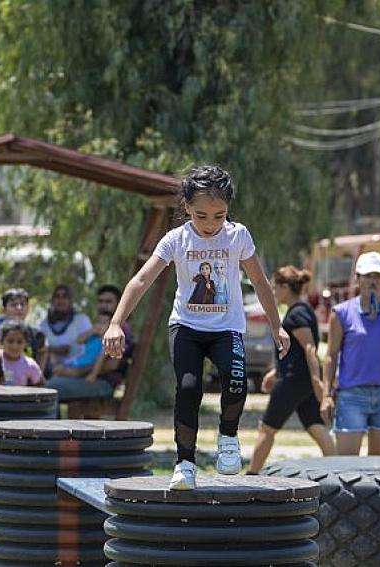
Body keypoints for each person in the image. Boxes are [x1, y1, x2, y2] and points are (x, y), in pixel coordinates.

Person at [103, 165, 290, 490]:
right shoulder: (176, 240)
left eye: (219, 216)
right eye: (201, 215)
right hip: (186, 326)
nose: (210, 224)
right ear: (186, 207)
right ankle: (185, 463)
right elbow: (142, 280)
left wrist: (278, 327)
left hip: (226, 327)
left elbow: (259, 282)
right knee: (188, 388)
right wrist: (116, 322)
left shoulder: (237, 236)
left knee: (236, 381)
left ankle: (228, 436)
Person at [320, 252, 380, 457]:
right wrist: (326, 395)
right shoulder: (342, 313)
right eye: (368, 276)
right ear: (357, 278)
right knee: (347, 466)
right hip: (352, 395)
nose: (373, 281)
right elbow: (331, 356)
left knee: (378, 467)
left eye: (378, 276)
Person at [247, 266, 335, 474]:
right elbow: (293, 352)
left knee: (267, 428)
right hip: (299, 380)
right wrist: (275, 372)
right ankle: (338, 470)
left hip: (294, 381)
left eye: (275, 287)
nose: (273, 292)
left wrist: (318, 383)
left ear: (285, 287)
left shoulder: (297, 314)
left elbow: (310, 349)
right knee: (316, 426)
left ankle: (251, 476)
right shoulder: (302, 310)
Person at [49, 313, 111, 398]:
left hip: (83, 368)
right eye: (98, 322)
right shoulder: (92, 337)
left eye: (104, 323)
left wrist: (93, 374)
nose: (99, 325)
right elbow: (79, 340)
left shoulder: (106, 342)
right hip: (76, 363)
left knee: (60, 373)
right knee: (56, 369)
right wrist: (91, 331)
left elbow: (100, 359)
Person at [40, 284, 92, 377]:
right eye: (57, 296)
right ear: (52, 300)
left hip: (77, 371)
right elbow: (41, 349)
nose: (61, 300)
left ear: (71, 300)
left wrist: (52, 350)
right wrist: (56, 350)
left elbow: (90, 348)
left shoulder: (82, 320)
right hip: (50, 371)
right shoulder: (43, 325)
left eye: (65, 296)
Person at [0, 288, 47, 369]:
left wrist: (38, 374)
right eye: (13, 305)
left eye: (22, 304)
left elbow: (43, 352)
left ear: (28, 308)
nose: (19, 308)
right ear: (4, 309)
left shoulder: (36, 334)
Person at [0, 322, 43, 387]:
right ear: (2, 341)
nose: (14, 346)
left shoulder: (29, 365)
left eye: (19, 342)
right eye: (10, 341)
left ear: (26, 344)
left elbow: (40, 384)